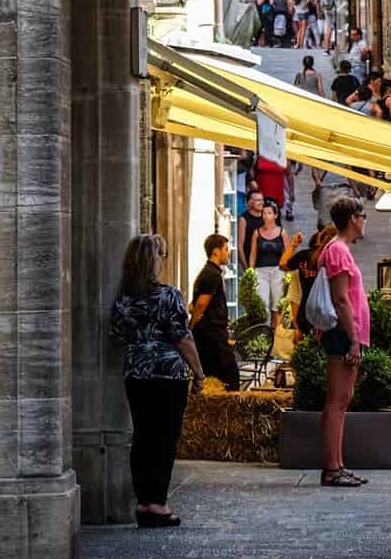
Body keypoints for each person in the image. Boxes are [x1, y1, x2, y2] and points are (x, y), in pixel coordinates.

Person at [110, 233, 205, 527]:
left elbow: (116, 335)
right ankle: (159, 503)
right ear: (153, 260)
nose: (164, 260)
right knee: (165, 437)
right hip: (167, 374)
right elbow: (183, 338)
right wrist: (199, 373)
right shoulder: (168, 295)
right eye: (162, 255)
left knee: (142, 436)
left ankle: (143, 502)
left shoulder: (123, 298)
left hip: (136, 373)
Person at [318, 195, 370, 487]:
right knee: (337, 401)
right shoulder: (337, 250)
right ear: (353, 218)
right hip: (342, 332)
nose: (364, 222)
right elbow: (340, 298)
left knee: (342, 399)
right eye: (363, 216)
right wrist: (352, 339)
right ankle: (332, 467)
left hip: (346, 332)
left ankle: (337, 464)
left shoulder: (339, 249)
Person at [190, 233, 240, 390]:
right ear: (216, 252)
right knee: (231, 375)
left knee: (211, 374)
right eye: (226, 249)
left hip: (210, 333)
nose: (228, 252)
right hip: (212, 335)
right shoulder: (211, 275)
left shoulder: (211, 273)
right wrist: (191, 327)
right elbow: (199, 305)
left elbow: (193, 305)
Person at [249, 200, 290, 322]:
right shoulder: (257, 233)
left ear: (276, 216)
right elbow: (253, 254)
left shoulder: (282, 232)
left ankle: (276, 334)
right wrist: (251, 272)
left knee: (277, 306)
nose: (266, 216)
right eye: (264, 213)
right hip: (260, 272)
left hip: (278, 271)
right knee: (262, 305)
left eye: (269, 213)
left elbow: (288, 254)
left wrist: (287, 274)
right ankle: (263, 334)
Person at [237, 186, 265, 270]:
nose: (261, 202)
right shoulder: (244, 219)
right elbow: (240, 246)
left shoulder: (266, 216)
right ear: (250, 203)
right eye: (258, 200)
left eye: (262, 200)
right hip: (251, 264)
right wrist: (247, 269)